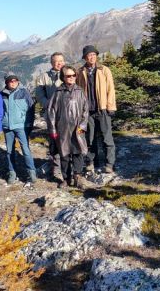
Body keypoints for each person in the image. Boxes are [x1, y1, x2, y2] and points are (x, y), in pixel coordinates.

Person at [46, 66, 91, 189]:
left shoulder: (80, 91)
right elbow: (51, 112)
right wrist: (53, 130)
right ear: (63, 77)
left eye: (73, 75)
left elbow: (85, 111)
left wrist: (82, 126)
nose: (71, 78)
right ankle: (66, 179)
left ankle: (78, 177)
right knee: (64, 155)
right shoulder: (58, 92)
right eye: (68, 76)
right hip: (62, 129)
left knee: (78, 153)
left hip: (77, 129)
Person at [76, 45, 117, 174]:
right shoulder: (80, 72)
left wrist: (111, 107)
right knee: (89, 138)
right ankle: (91, 162)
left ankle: (109, 164)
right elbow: (77, 91)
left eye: (93, 54)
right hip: (87, 111)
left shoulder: (104, 70)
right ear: (85, 58)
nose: (92, 57)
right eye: (89, 55)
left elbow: (110, 89)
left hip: (102, 109)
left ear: (96, 56)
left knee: (107, 138)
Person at [1, 74, 37, 187]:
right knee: (9, 150)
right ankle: (12, 172)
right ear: (6, 83)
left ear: (18, 81)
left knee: (25, 149)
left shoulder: (23, 92)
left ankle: (31, 172)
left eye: (15, 81)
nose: (13, 82)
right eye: (10, 81)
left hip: (21, 126)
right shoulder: (1, 94)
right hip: (7, 126)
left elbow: (31, 109)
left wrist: (30, 124)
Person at [35, 52, 65, 180]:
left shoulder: (69, 74)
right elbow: (39, 94)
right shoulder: (44, 77)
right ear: (51, 63)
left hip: (67, 114)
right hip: (51, 114)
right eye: (56, 61)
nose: (59, 63)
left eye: (61, 61)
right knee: (54, 140)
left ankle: (68, 166)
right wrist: (48, 104)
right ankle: (56, 167)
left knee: (67, 140)